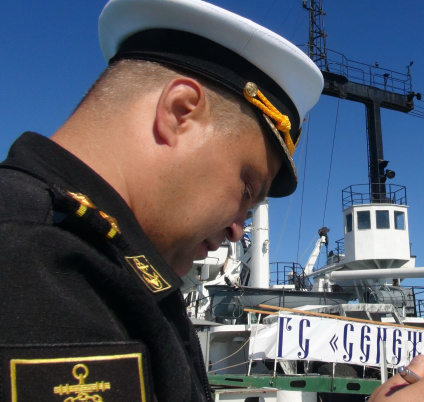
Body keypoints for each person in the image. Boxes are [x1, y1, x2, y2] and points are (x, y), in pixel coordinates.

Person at [0, 0, 322, 400]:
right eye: (245, 189)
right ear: (179, 112)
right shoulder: (30, 258)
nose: (238, 231)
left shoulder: (95, 260)